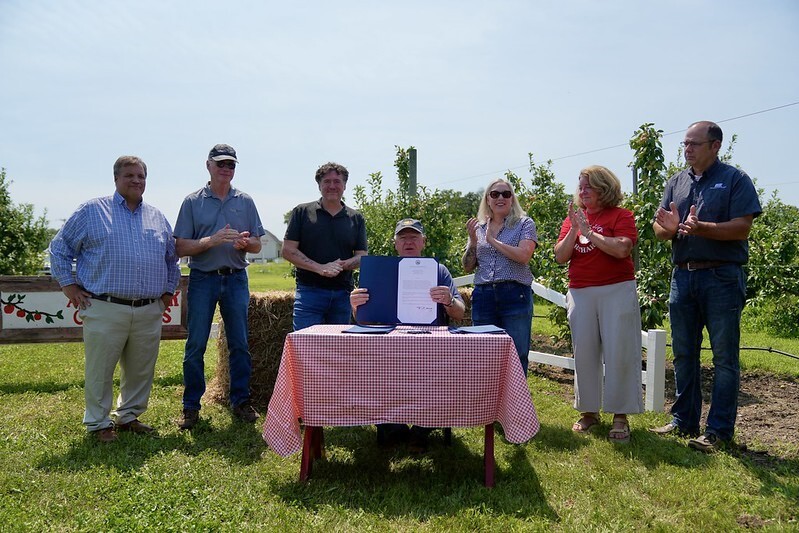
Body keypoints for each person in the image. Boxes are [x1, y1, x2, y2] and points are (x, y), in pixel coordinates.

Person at [49, 156, 179, 442]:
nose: (136, 180)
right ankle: (98, 423)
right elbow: (59, 248)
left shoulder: (157, 217)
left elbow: (172, 259)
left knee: (141, 369)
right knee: (101, 369)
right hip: (104, 306)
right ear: (116, 178)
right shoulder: (92, 211)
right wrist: (68, 286)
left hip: (148, 308)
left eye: (141, 176)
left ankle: (128, 416)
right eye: (129, 175)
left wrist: (168, 291)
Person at [650, 121, 761, 452]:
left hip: (721, 277)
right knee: (684, 353)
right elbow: (659, 229)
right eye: (684, 144)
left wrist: (702, 228)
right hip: (683, 276)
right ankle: (683, 420)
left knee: (724, 356)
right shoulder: (676, 182)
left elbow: (742, 228)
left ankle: (718, 431)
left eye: (694, 144)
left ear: (715, 146)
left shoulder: (735, 179)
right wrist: (670, 228)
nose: (687, 149)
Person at [350, 218, 465, 450]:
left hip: (430, 346)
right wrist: (355, 306)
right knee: (365, 370)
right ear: (395, 243)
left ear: (423, 242)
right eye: (403, 237)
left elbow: (460, 313)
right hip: (388, 347)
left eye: (414, 237)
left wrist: (449, 301)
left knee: (442, 374)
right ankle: (393, 428)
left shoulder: (438, 270)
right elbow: (362, 320)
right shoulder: (379, 271)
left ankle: (422, 429)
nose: (409, 242)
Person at [174, 144, 265, 430]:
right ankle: (191, 406)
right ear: (208, 166)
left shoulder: (245, 201)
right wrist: (210, 241)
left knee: (240, 343)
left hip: (236, 278)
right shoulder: (192, 202)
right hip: (203, 279)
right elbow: (180, 247)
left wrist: (246, 243)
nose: (226, 169)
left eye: (231, 165)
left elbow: (257, 244)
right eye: (221, 163)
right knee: (196, 344)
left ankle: (241, 401)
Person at [554, 166, 643, 443]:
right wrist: (574, 229)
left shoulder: (621, 215)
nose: (583, 191)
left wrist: (589, 232)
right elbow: (560, 256)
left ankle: (620, 415)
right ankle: (589, 411)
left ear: (604, 188)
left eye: (588, 186)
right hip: (581, 292)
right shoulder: (573, 219)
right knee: (584, 352)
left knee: (619, 352)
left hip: (616, 290)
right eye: (580, 186)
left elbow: (622, 248)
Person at [462, 178, 537, 375]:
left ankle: (515, 395)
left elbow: (524, 255)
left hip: (515, 293)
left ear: (512, 199)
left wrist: (492, 241)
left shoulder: (524, 224)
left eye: (506, 194)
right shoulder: (479, 227)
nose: (500, 198)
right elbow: (467, 267)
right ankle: (486, 395)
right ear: (487, 199)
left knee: (517, 354)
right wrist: (473, 241)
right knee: (483, 353)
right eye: (495, 194)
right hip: (483, 294)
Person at [283, 162, 367, 330]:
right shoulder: (302, 212)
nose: (332, 186)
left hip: (343, 294)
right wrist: (320, 268)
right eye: (327, 181)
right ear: (319, 185)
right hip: (309, 292)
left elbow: (362, 256)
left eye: (337, 181)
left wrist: (340, 265)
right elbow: (287, 250)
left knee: (339, 345)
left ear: (344, 186)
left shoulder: (356, 218)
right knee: (305, 342)